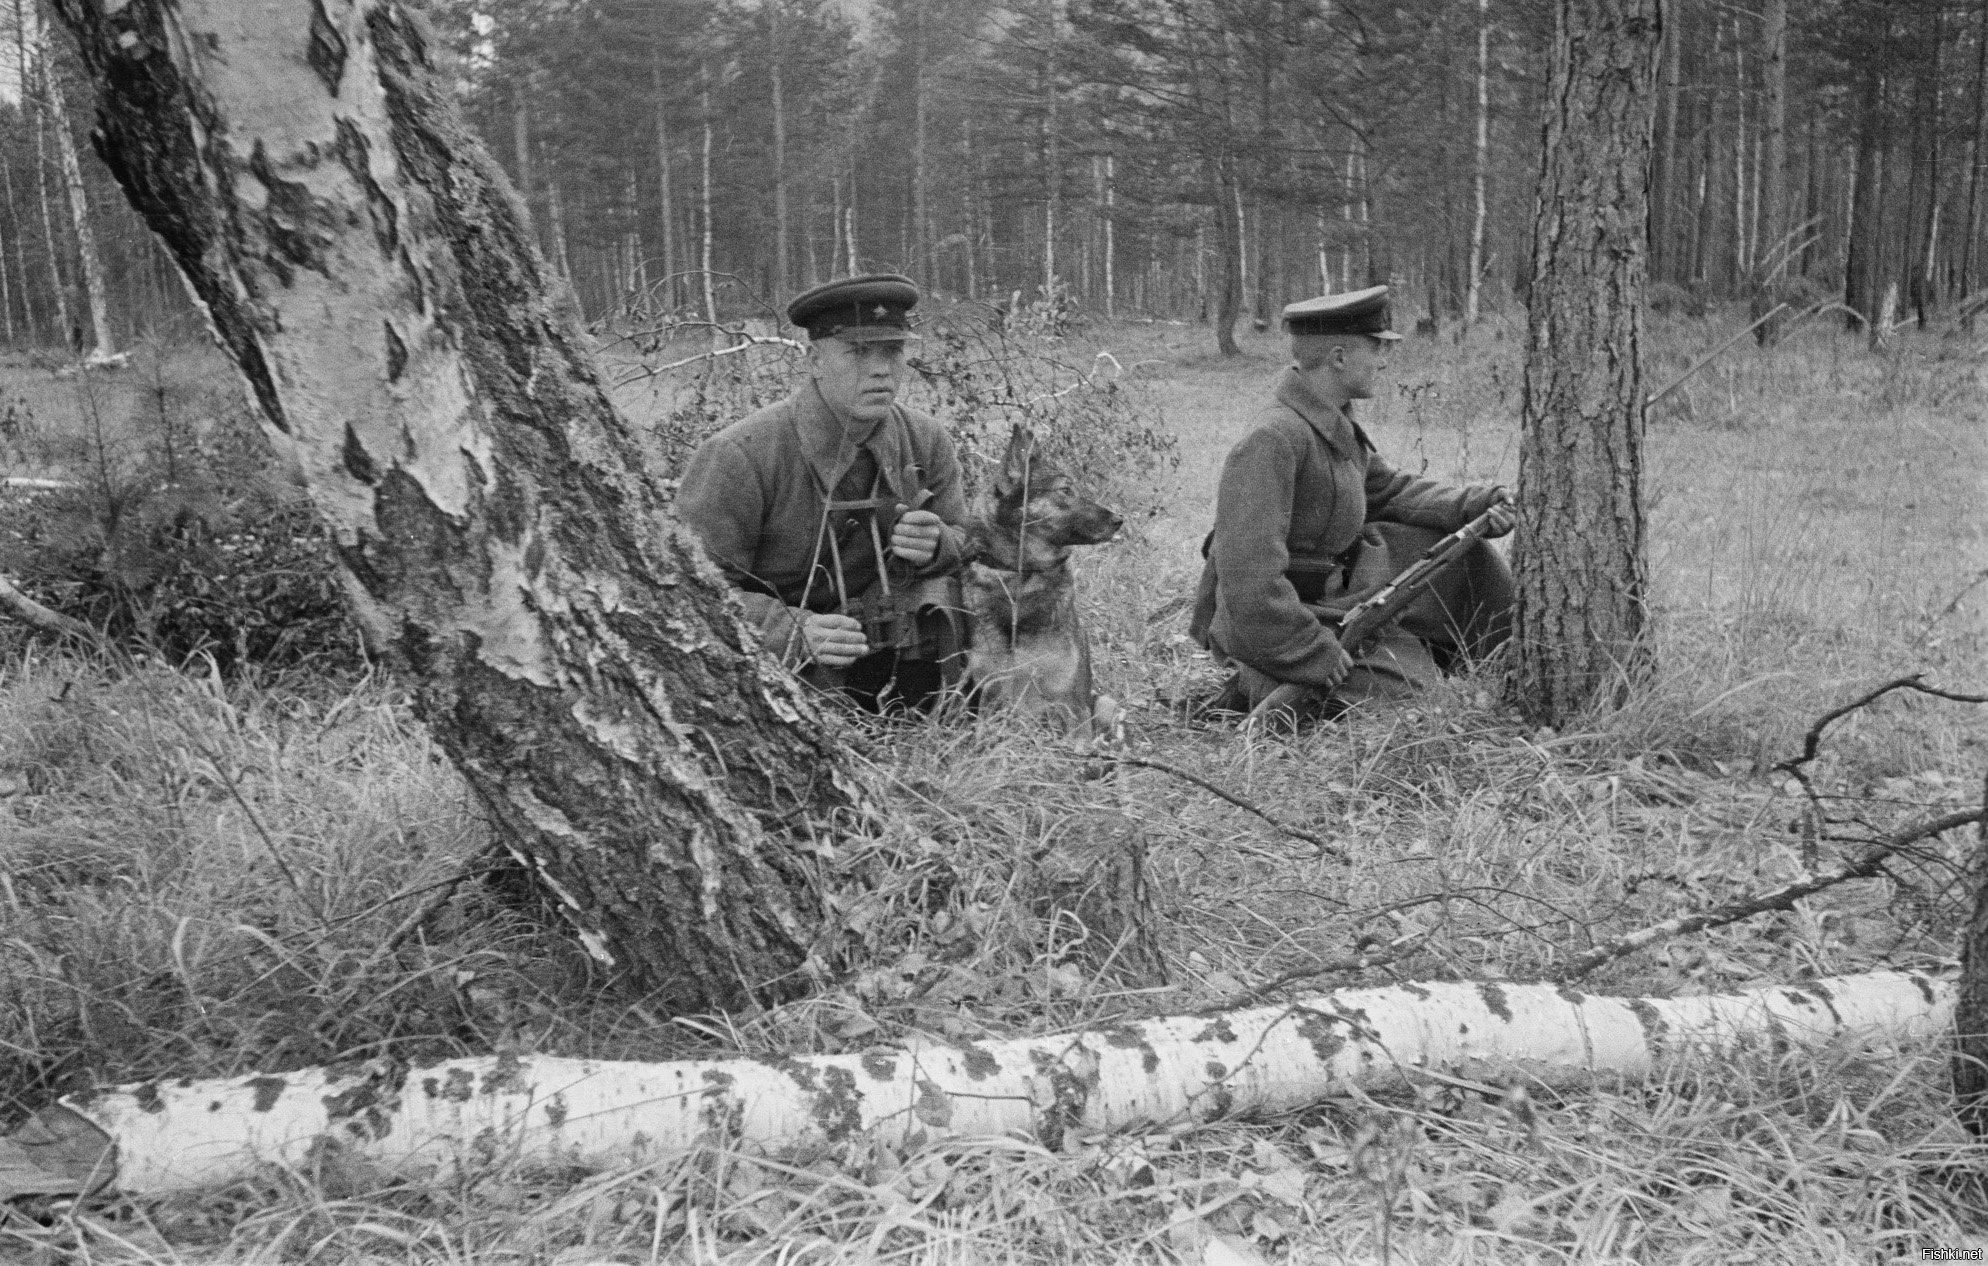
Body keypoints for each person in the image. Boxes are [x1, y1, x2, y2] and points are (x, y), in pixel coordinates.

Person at [1189, 285, 1517, 724]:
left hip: (1336, 602)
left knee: (1469, 564)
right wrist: (1311, 652)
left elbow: (1389, 491)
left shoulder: (1331, 421)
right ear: (1339, 358)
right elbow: (1247, 577)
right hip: (1283, 628)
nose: (1383, 360)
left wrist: (1474, 504)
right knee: (1414, 706)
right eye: (1376, 347)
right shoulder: (1273, 439)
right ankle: (1257, 682)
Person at [677, 274, 968, 711]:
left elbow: (972, 545)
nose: (880, 369)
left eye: (892, 351)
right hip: (791, 678)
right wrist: (789, 632)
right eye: (858, 352)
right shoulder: (740, 455)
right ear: (814, 360)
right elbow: (688, 588)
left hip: (902, 660)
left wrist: (939, 545)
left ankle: (958, 712)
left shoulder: (926, 440)